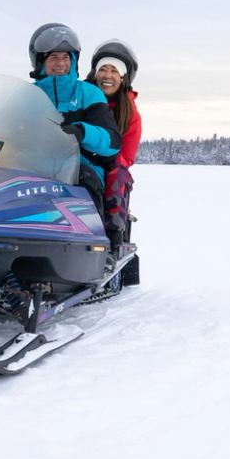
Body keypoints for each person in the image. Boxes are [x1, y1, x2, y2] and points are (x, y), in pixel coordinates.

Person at [27, 23, 121, 231]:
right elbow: (3, 125)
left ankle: (93, 246)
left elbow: (112, 141)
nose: (60, 63)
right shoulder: (26, 96)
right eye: (53, 58)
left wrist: (82, 132)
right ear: (41, 62)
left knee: (85, 181)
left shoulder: (89, 94)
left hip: (80, 167)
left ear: (74, 61)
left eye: (65, 57)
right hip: (30, 167)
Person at [89, 39, 141, 284]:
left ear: (123, 78)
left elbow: (127, 156)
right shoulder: (82, 97)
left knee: (116, 174)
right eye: (103, 69)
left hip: (110, 163)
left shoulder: (129, 112)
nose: (107, 75)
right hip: (71, 155)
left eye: (113, 70)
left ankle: (112, 237)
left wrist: (102, 152)